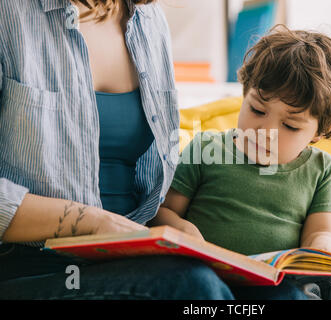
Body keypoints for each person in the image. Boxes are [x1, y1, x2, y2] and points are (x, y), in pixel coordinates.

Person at [0, 0, 272, 300]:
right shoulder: (10, 13)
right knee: (191, 286)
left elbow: (138, 185)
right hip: (36, 267)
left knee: (279, 294)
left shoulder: (149, 20)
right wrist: (94, 222)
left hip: (128, 257)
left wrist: (175, 229)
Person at [150, 25, 331, 300]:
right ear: (245, 94)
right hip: (212, 277)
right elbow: (162, 211)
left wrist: (327, 249)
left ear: (319, 132)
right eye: (257, 110)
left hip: (282, 280)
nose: (266, 131)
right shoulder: (206, 148)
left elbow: (319, 233)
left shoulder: (321, 168)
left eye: (290, 125)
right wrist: (184, 229)